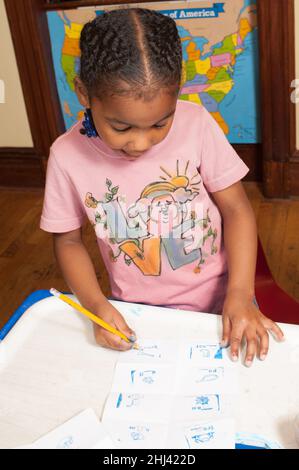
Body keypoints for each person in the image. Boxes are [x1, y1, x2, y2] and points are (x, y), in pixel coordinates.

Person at [40, 8, 284, 365]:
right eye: (121, 128)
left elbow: (235, 209)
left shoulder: (197, 124)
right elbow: (68, 239)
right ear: (83, 93)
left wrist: (240, 293)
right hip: (137, 316)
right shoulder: (66, 155)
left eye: (160, 124)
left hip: (222, 304)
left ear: (178, 88)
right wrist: (96, 306)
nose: (141, 143)